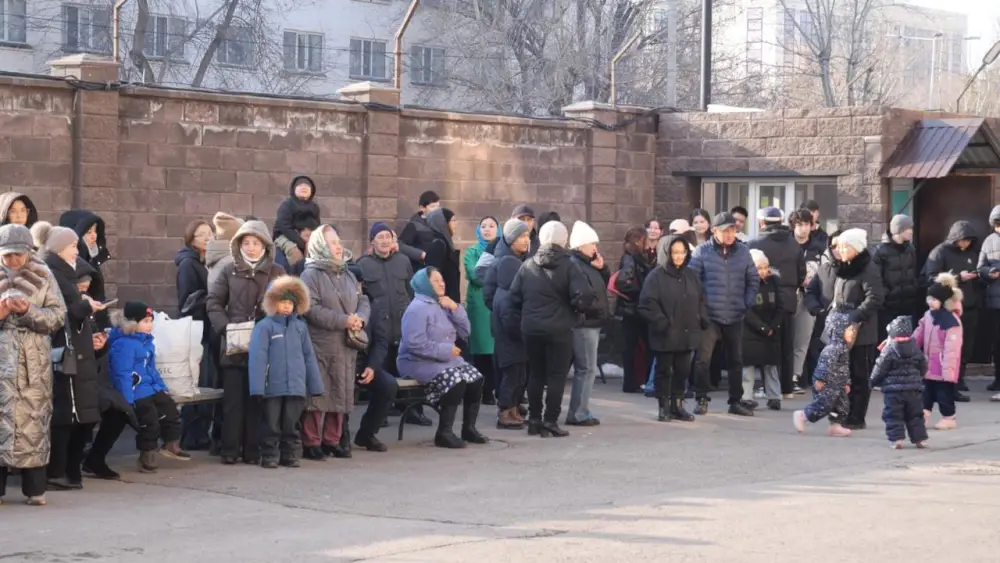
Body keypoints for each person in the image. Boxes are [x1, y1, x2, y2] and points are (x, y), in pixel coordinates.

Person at [32, 223, 108, 490]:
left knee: (81, 416)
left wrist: (94, 334)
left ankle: (70, 472)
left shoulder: (65, 273)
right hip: (63, 353)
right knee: (66, 417)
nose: (77, 251)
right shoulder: (50, 273)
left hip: (78, 350)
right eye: (73, 245)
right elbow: (55, 314)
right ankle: (59, 472)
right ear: (58, 248)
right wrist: (83, 307)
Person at [206, 220, 286, 465]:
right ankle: (229, 450)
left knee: (256, 399)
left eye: (256, 243)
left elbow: (285, 304)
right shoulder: (227, 268)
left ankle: (253, 450)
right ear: (238, 244)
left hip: (264, 343)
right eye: (246, 243)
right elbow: (213, 302)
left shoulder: (277, 272)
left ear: (265, 245)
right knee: (232, 400)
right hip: (233, 342)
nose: (251, 248)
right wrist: (227, 328)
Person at [508, 221, 598, 438]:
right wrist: (578, 311)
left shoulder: (528, 265)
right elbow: (584, 295)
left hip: (531, 329)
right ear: (563, 240)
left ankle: (535, 419)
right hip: (560, 329)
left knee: (536, 374)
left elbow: (514, 297)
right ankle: (550, 420)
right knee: (556, 376)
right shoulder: (570, 265)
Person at [0, 225, 66, 506]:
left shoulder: (45, 275)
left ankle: (35, 488)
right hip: (2, 355)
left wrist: (29, 311)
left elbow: (57, 316)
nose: (13, 261)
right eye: (7, 256)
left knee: (35, 419)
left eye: (18, 255)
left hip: (33, 358)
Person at [397, 267, 489, 448]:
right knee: (456, 381)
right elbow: (414, 344)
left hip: (444, 359)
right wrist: (446, 350)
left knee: (476, 379)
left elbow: (465, 331)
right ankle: (444, 432)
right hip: (417, 362)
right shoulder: (417, 309)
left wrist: (456, 308)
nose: (441, 284)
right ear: (425, 284)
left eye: (442, 280)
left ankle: (468, 428)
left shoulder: (442, 304)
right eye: (435, 281)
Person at [300, 225, 369, 460]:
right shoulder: (310, 275)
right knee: (319, 393)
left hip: (346, 343)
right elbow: (312, 309)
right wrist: (344, 321)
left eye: (338, 241)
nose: (338, 246)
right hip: (321, 342)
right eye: (332, 242)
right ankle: (311, 442)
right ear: (320, 245)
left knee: (341, 390)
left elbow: (363, 300)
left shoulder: (348, 273)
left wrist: (360, 319)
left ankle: (332, 439)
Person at [248, 276, 323, 468]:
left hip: (296, 385)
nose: (287, 306)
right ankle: (269, 454)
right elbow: (258, 357)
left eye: (290, 302)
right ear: (273, 303)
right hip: (272, 384)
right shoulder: (264, 327)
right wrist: (257, 386)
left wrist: (315, 384)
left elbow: (309, 356)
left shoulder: (300, 328)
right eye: (283, 302)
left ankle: (289, 454)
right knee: (271, 423)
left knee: (291, 423)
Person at [689, 212, 760, 417]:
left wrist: (746, 303)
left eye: (733, 230)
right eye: (725, 230)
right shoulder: (702, 252)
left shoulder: (743, 252)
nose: (730, 234)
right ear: (714, 231)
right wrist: (701, 309)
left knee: (736, 360)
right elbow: (694, 283)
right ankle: (701, 398)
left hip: (736, 314)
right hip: (709, 316)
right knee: (703, 360)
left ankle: (735, 401)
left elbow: (753, 279)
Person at [109, 302, 190, 473]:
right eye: (145, 321)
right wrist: (128, 400)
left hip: (151, 387)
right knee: (149, 420)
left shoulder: (147, 342)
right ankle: (147, 453)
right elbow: (122, 374)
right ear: (132, 323)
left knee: (171, 411)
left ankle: (171, 443)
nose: (150, 325)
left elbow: (152, 369)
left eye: (151, 321)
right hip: (137, 391)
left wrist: (161, 387)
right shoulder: (123, 344)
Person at [638, 234, 706, 422]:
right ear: (667, 253)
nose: (678, 256)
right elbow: (647, 304)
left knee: (683, 371)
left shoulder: (690, 275)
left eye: (682, 252)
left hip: (687, 332)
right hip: (666, 334)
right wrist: (662, 322)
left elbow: (701, 298)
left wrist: (701, 318)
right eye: (675, 252)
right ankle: (664, 406)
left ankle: (678, 404)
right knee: (664, 371)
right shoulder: (656, 276)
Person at [748, 207, 805, 398]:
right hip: (788, 300)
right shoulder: (794, 244)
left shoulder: (755, 243)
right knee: (787, 345)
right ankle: (786, 387)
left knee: (767, 344)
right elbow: (801, 274)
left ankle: (768, 387)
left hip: (762, 301)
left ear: (762, 222)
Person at [830, 229, 883, 430]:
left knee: (859, 374)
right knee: (841, 373)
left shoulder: (869, 268)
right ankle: (843, 411)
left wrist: (855, 316)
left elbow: (875, 298)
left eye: (844, 247)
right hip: (841, 325)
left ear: (856, 248)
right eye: (839, 246)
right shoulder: (844, 267)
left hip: (861, 330)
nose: (840, 250)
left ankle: (857, 416)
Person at [923, 220, 982, 402]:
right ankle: (948, 385)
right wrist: (958, 278)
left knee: (965, 348)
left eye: (969, 241)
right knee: (948, 349)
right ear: (955, 238)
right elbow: (931, 278)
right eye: (963, 240)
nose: (966, 244)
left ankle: (959, 379)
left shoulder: (973, 253)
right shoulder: (940, 252)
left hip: (970, 307)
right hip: (948, 310)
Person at [175, 219, 215, 450]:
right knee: (197, 382)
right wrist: (212, 298)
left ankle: (200, 434)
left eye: (210, 234)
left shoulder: (208, 262)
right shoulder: (189, 265)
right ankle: (192, 435)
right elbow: (187, 301)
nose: (208, 239)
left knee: (207, 382)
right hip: (196, 330)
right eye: (202, 236)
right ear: (192, 240)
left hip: (208, 330)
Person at [567, 221, 610, 426]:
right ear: (580, 245)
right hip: (585, 324)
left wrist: (602, 269)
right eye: (592, 243)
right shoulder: (576, 265)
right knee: (586, 369)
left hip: (590, 322)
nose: (595, 248)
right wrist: (595, 309)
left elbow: (601, 285)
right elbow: (583, 295)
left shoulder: (585, 264)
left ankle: (580, 410)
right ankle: (578, 413)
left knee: (586, 369)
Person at [490, 219, 532, 430]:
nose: (527, 240)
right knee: (511, 377)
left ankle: (513, 409)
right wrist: (520, 332)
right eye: (522, 237)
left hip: (517, 338)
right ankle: (505, 412)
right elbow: (508, 318)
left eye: (527, 236)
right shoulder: (506, 292)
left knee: (519, 376)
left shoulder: (510, 286)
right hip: (510, 339)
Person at [353, 267, 401, 453]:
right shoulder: (338, 303)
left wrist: (372, 367)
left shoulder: (372, 305)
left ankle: (367, 433)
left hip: (366, 361)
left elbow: (381, 340)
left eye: (357, 283)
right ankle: (339, 435)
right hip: (344, 361)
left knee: (388, 385)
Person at [792, 311, 856, 437]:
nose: (853, 333)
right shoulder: (832, 348)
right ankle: (803, 415)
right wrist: (820, 379)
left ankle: (836, 425)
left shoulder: (844, 348)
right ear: (838, 330)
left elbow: (844, 367)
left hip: (839, 384)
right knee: (824, 405)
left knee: (842, 406)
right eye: (850, 330)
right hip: (828, 383)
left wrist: (847, 382)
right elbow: (823, 365)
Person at [870, 316, 928, 449]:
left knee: (893, 415)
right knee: (915, 415)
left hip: (893, 391)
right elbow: (923, 365)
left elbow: (880, 367)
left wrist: (872, 381)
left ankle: (897, 440)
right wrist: (919, 377)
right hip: (914, 389)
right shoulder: (915, 348)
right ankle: (920, 439)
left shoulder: (889, 350)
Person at [915, 274, 964, 431]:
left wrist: (948, 368)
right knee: (926, 392)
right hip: (929, 363)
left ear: (943, 301)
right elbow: (919, 333)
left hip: (943, 365)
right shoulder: (928, 316)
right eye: (929, 298)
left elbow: (953, 348)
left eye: (934, 299)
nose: (930, 302)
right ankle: (922, 414)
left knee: (944, 394)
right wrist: (906, 344)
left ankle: (949, 417)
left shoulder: (951, 320)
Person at [742, 249, 785, 411]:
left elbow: (781, 305)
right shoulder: (745, 283)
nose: (763, 271)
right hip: (751, 331)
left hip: (771, 329)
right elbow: (746, 309)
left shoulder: (774, 281)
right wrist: (761, 327)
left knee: (771, 366)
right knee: (748, 367)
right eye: (759, 268)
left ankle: (774, 396)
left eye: (765, 267)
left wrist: (773, 326)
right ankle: (745, 397)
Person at [615, 227, 654, 393]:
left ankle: (634, 382)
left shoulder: (633, 257)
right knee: (635, 347)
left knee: (633, 347)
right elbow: (623, 282)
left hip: (632, 310)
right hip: (633, 310)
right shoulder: (631, 258)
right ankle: (634, 382)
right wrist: (642, 292)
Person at [465, 216, 499, 404]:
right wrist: (497, 276)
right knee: (481, 349)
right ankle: (482, 391)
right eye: (483, 226)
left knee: (497, 349)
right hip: (478, 304)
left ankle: (495, 389)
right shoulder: (472, 251)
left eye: (492, 226)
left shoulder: (503, 249)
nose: (487, 229)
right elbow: (474, 274)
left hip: (496, 302)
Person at [790, 209, 824, 392]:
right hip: (788, 295)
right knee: (785, 338)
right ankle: (782, 376)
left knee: (803, 339)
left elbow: (824, 272)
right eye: (799, 224)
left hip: (808, 296)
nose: (803, 229)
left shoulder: (818, 247)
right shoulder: (787, 245)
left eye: (806, 225)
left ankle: (795, 376)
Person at [873, 215, 918, 343]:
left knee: (906, 343)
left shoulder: (910, 249)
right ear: (899, 230)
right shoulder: (880, 252)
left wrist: (912, 289)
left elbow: (913, 272)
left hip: (907, 304)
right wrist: (887, 295)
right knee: (887, 343)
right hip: (888, 308)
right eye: (908, 228)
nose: (911, 231)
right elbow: (876, 280)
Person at [58, 210, 111, 310]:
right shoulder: (65, 264)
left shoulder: (92, 259)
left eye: (95, 231)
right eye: (88, 232)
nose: (94, 236)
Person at [272, 175, 321, 272]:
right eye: (300, 185)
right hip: (286, 237)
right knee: (294, 255)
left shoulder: (315, 207)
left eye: (307, 185)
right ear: (293, 189)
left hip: (308, 238)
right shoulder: (287, 205)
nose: (303, 187)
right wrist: (300, 241)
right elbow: (283, 225)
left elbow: (318, 226)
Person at [977, 205, 1000, 394]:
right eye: (997, 224)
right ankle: (998, 380)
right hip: (995, 302)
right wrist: (989, 273)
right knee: (997, 343)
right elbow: (980, 268)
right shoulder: (988, 242)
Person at [424, 208, 462, 304]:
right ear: (442, 223)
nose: (455, 225)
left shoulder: (445, 242)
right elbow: (433, 276)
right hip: (444, 302)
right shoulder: (439, 244)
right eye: (452, 221)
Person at [397, 190, 441, 272]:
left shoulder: (440, 225)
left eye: (438, 207)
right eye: (432, 207)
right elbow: (400, 245)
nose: (436, 210)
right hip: (419, 270)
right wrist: (420, 254)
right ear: (422, 208)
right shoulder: (414, 225)